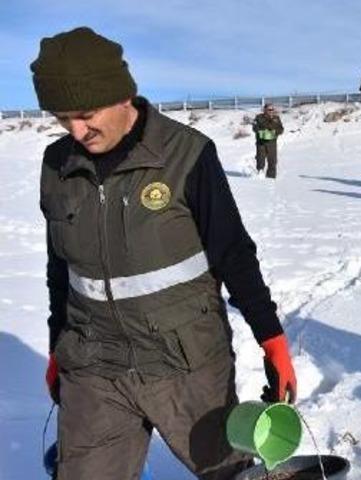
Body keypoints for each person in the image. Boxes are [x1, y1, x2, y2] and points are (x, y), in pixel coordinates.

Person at [33, 27, 297, 480]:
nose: (76, 131)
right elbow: (62, 269)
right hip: (94, 364)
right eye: (62, 119)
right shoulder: (57, 166)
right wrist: (59, 342)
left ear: (121, 96)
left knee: (228, 472)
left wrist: (270, 337)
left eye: (85, 113)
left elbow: (233, 253)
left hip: (186, 362)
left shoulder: (186, 155)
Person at [252, 103, 285, 178]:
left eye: (272, 109)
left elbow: (281, 129)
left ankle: (271, 178)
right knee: (260, 158)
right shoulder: (259, 117)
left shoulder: (276, 118)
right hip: (261, 142)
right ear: (265, 110)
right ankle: (259, 175)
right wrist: (261, 132)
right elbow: (254, 127)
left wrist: (274, 132)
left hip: (272, 142)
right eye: (269, 109)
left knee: (272, 161)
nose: (271, 111)